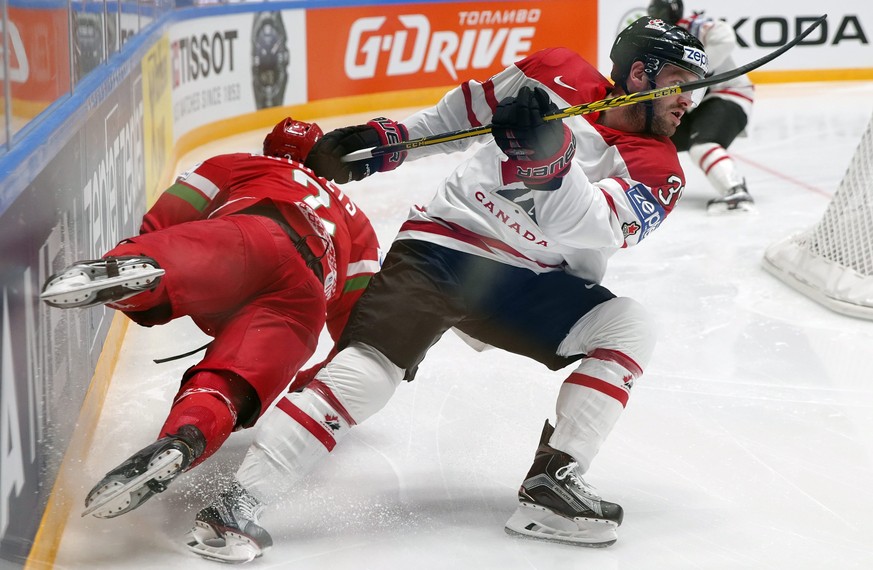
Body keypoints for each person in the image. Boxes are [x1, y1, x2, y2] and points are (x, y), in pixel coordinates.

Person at [183, 17, 707, 563]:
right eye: (680, 80)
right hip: (443, 248)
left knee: (628, 327)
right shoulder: (555, 71)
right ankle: (234, 507)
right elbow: (460, 117)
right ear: (641, 74)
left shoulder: (659, 168)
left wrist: (552, 164)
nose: (688, 100)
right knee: (366, 374)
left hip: (529, 283)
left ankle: (552, 490)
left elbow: (593, 226)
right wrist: (386, 143)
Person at [39, 117, 381, 520]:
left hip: (250, 238)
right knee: (228, 387)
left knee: (160, 266)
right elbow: (358, 332)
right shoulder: (358, 222)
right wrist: (309, 379)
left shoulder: (238, 163)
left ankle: (139, 277)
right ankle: (186, 439)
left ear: (271, 148)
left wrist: (144, 247)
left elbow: (167, 217)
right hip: (303, 302)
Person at [648, 0, 756, 213]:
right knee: (650, 135)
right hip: (691, 106)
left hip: (726, 96)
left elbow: (725, 39)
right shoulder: (657, 44)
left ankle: (736, 192)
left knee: (703, 146)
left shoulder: (692, 26)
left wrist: (698, 70)